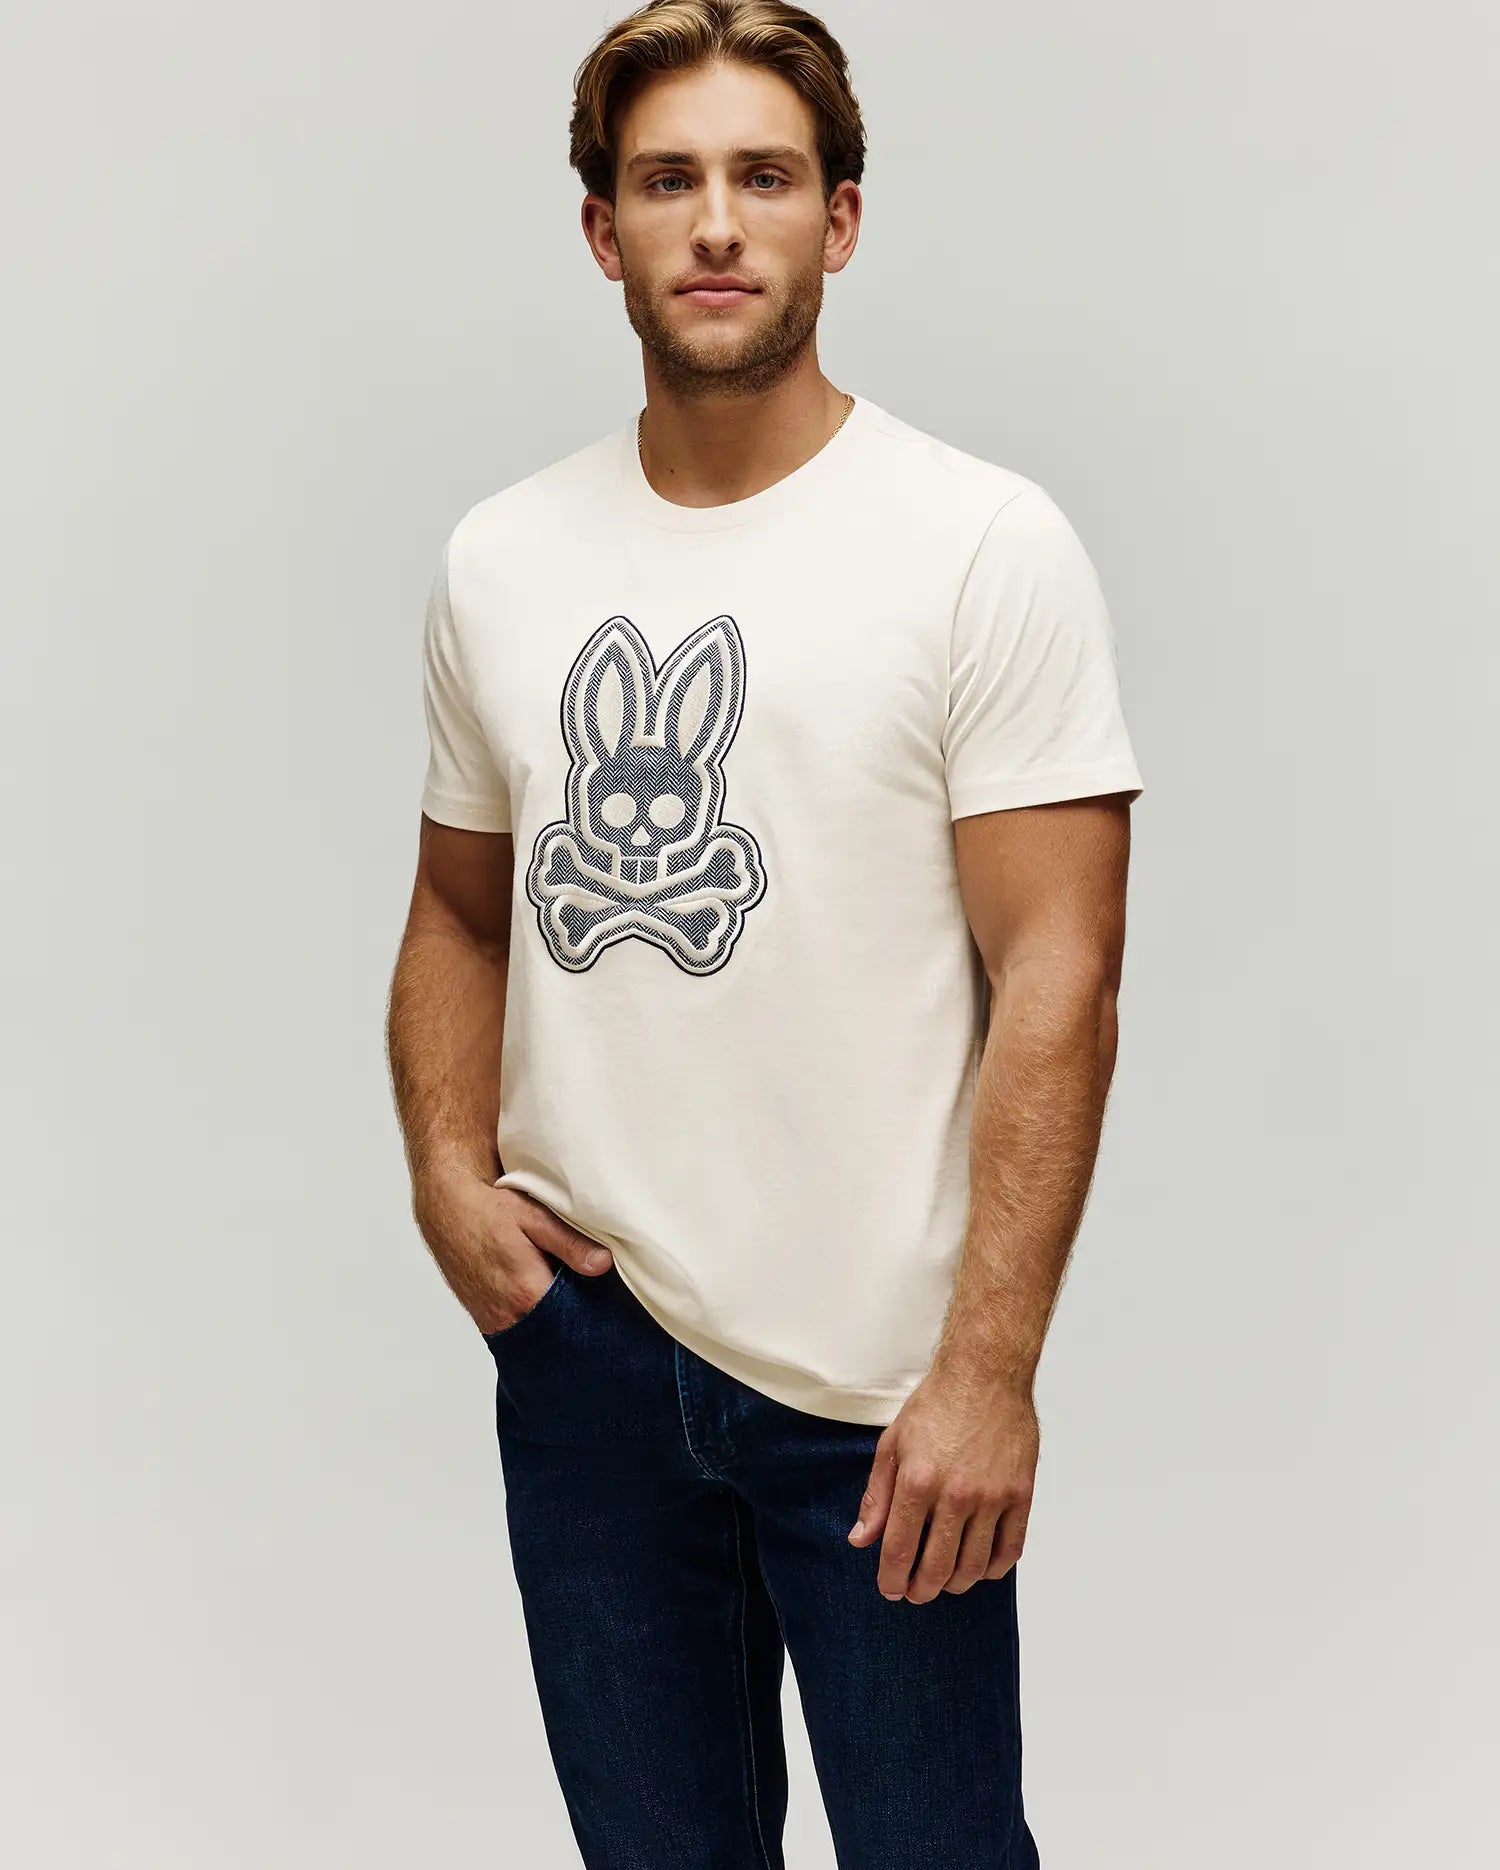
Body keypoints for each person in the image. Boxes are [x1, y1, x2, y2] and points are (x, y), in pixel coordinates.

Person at [386, 3, 1144, 1863]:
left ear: (841, 219)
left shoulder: (980, 546)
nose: (717, 223)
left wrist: (989, 1370)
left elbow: (1061, 976)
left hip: (881, 1397)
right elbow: (459, 909)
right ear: (603, 230)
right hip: (592, 1362)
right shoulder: (502, 561)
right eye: (668, 181)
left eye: (765, 178)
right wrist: (447, 1180)